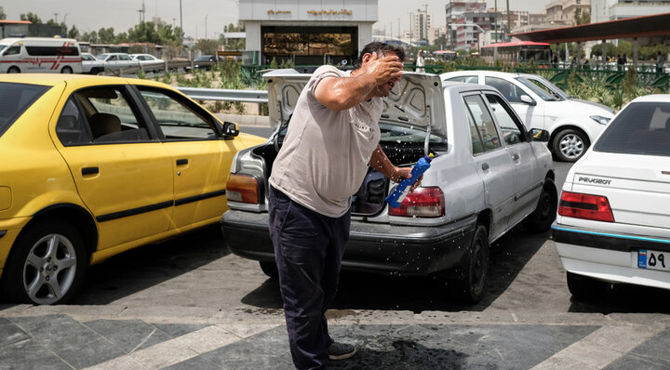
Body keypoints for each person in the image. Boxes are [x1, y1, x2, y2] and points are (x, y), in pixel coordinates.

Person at [268, 42, 418, 370]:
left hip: (336, 210)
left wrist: (393, 171)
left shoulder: (372, 104)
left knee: (326, 287)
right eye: (389, 69)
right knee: (303, 298)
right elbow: (338, 98)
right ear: (367, 60)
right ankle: (312, 362)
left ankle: (320, 342)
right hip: (297, 205)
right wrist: (373, 76)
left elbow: (367, 141)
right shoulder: (327, 76)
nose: (394, 79)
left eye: (397, 74)